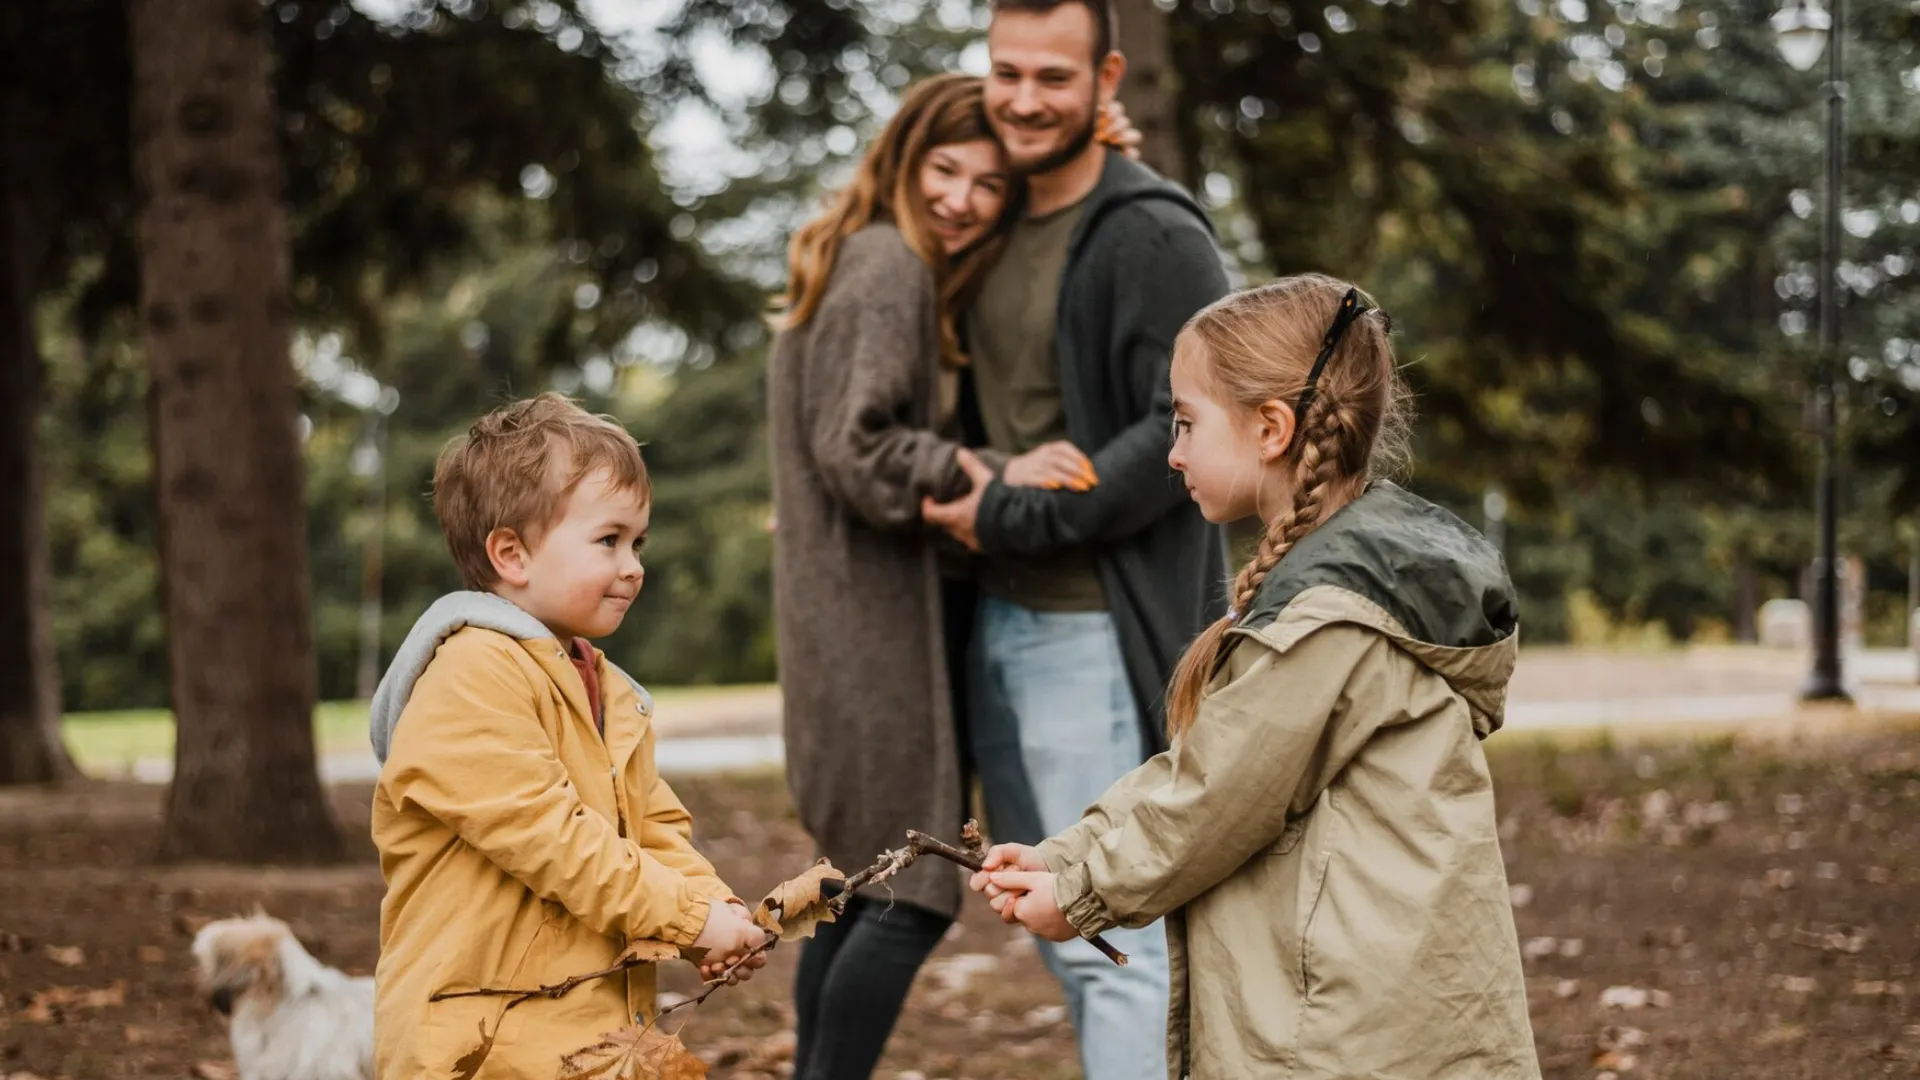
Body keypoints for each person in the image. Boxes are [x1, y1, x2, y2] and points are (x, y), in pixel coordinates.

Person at [972, 276, 1541, 1079]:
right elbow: (1203, 768)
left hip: (1348, 1024)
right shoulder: (1333, 588)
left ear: (1271, 427)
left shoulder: (1329, 617)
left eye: (1185, 421)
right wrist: (1068, 855)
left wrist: (1083, 891)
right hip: (1365, 1002)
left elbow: (1216, 797)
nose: (1172, 452)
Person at [768, 73, 1144, 1080]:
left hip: (854, 633)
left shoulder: (895, 263)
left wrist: (1098, 155)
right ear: (902, 159)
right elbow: (857, 448)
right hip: (869, 638)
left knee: (854, 893)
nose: (962, 197)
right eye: (944, 169)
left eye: (986, 182)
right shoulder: (887, 264)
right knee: (908, 896)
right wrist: (985, 470)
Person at [918, 2, 1230, 1075]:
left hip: (1096, 634)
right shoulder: (995, 218)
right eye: (1007, 72)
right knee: (1050, 920)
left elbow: (1175, 424)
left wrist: (1011, 508)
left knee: (1114, 935)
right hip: (998, 621)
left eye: (1054, 77)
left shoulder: (1154, 232)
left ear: (1104, 77)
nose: (1024, 98)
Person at [365, 394, 767, 1078]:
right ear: (511, 554)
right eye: (608, 540)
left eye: (638, 542)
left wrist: (714, 908)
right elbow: (554, 838)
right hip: (483, 1041)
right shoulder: (470, 673)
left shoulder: (604, 687)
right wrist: (690, 917)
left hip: (583, 1035)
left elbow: (655, 828)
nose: (634, 565)